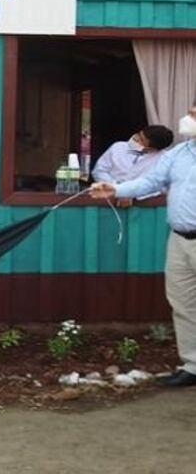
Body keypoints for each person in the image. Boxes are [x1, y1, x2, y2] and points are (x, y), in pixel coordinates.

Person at [90, 104, 196, 387]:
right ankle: (193, 365)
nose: (187, 119)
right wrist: (116, 189)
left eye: (195, 115)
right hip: (179, 238)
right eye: (191, 112)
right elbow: (151, 181)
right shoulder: (178, 154)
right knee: (183, 303)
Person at [92, 125, 173, 183]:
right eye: (138, 135)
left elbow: (160, 186)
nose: (136, 139)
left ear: (153, 149)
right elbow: (99, 171)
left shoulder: (164, 160)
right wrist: (115, 187)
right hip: (108, 198)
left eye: (141, 140)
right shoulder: (118, 147)